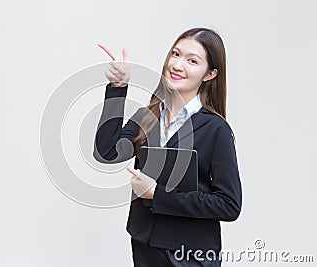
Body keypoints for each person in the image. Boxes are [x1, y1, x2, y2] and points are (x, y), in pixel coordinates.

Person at [93, 28, 242, 266]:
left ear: (210, 74)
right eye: (176, 54)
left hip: (190, 254)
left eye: (192, 61)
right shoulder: (147, 117)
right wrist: (117, 88)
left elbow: (229, 205)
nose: (178, 65)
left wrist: (157, 194)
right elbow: (106, 152)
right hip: (145, 245)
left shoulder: (216, 129)